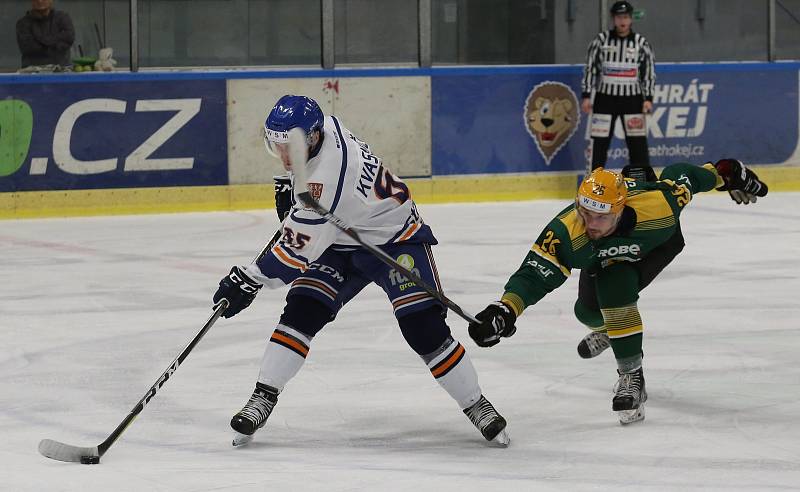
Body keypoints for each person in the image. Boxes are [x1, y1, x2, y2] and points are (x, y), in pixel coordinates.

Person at [212, 95, 509, 446]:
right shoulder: (327, 126)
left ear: (310, 139)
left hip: (394, 238)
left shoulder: (325, 182)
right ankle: (263, 395)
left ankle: (476, 403)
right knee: (303, 312)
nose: (285, 157)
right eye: (279, 146)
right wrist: (299, 203)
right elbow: (312, 217)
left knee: (423, 328)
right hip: (341, 235)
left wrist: (248, 279)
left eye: (289, 146)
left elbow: (294, 254)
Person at [467, 159, 768, 424]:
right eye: (585, 213)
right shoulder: (567, 230)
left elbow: (684, 175)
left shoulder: (658, 208)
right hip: (602, 258)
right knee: (584, 311)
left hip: (656, 247)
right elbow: (533, 275)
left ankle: (632, 374)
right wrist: (504, 309)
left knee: (614, 288)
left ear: (621, 210)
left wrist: (727, 173)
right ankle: (614, 332)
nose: (590, 224)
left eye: (601, 217)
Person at [581, 0, 655, 182]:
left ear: (631, 19)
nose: (623, 21)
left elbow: (649, 71)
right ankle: (593, 183)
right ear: (613, 19)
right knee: (599, 144)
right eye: (619, 17)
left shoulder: (641, 43)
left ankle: (642, 183)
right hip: (605, 99)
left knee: (637, 145)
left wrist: (648, 98)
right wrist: (586, 95)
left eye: (626, 17)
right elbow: (591, 68)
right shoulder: (601, 41)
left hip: (632, 99)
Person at [16, 0, 75, 69]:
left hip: (62, 70)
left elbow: (69, 38)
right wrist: (56, 40)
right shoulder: (23, 23)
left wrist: (39, 39)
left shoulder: (63, 18)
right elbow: (29, 47)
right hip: (32, 73)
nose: (40, 1)